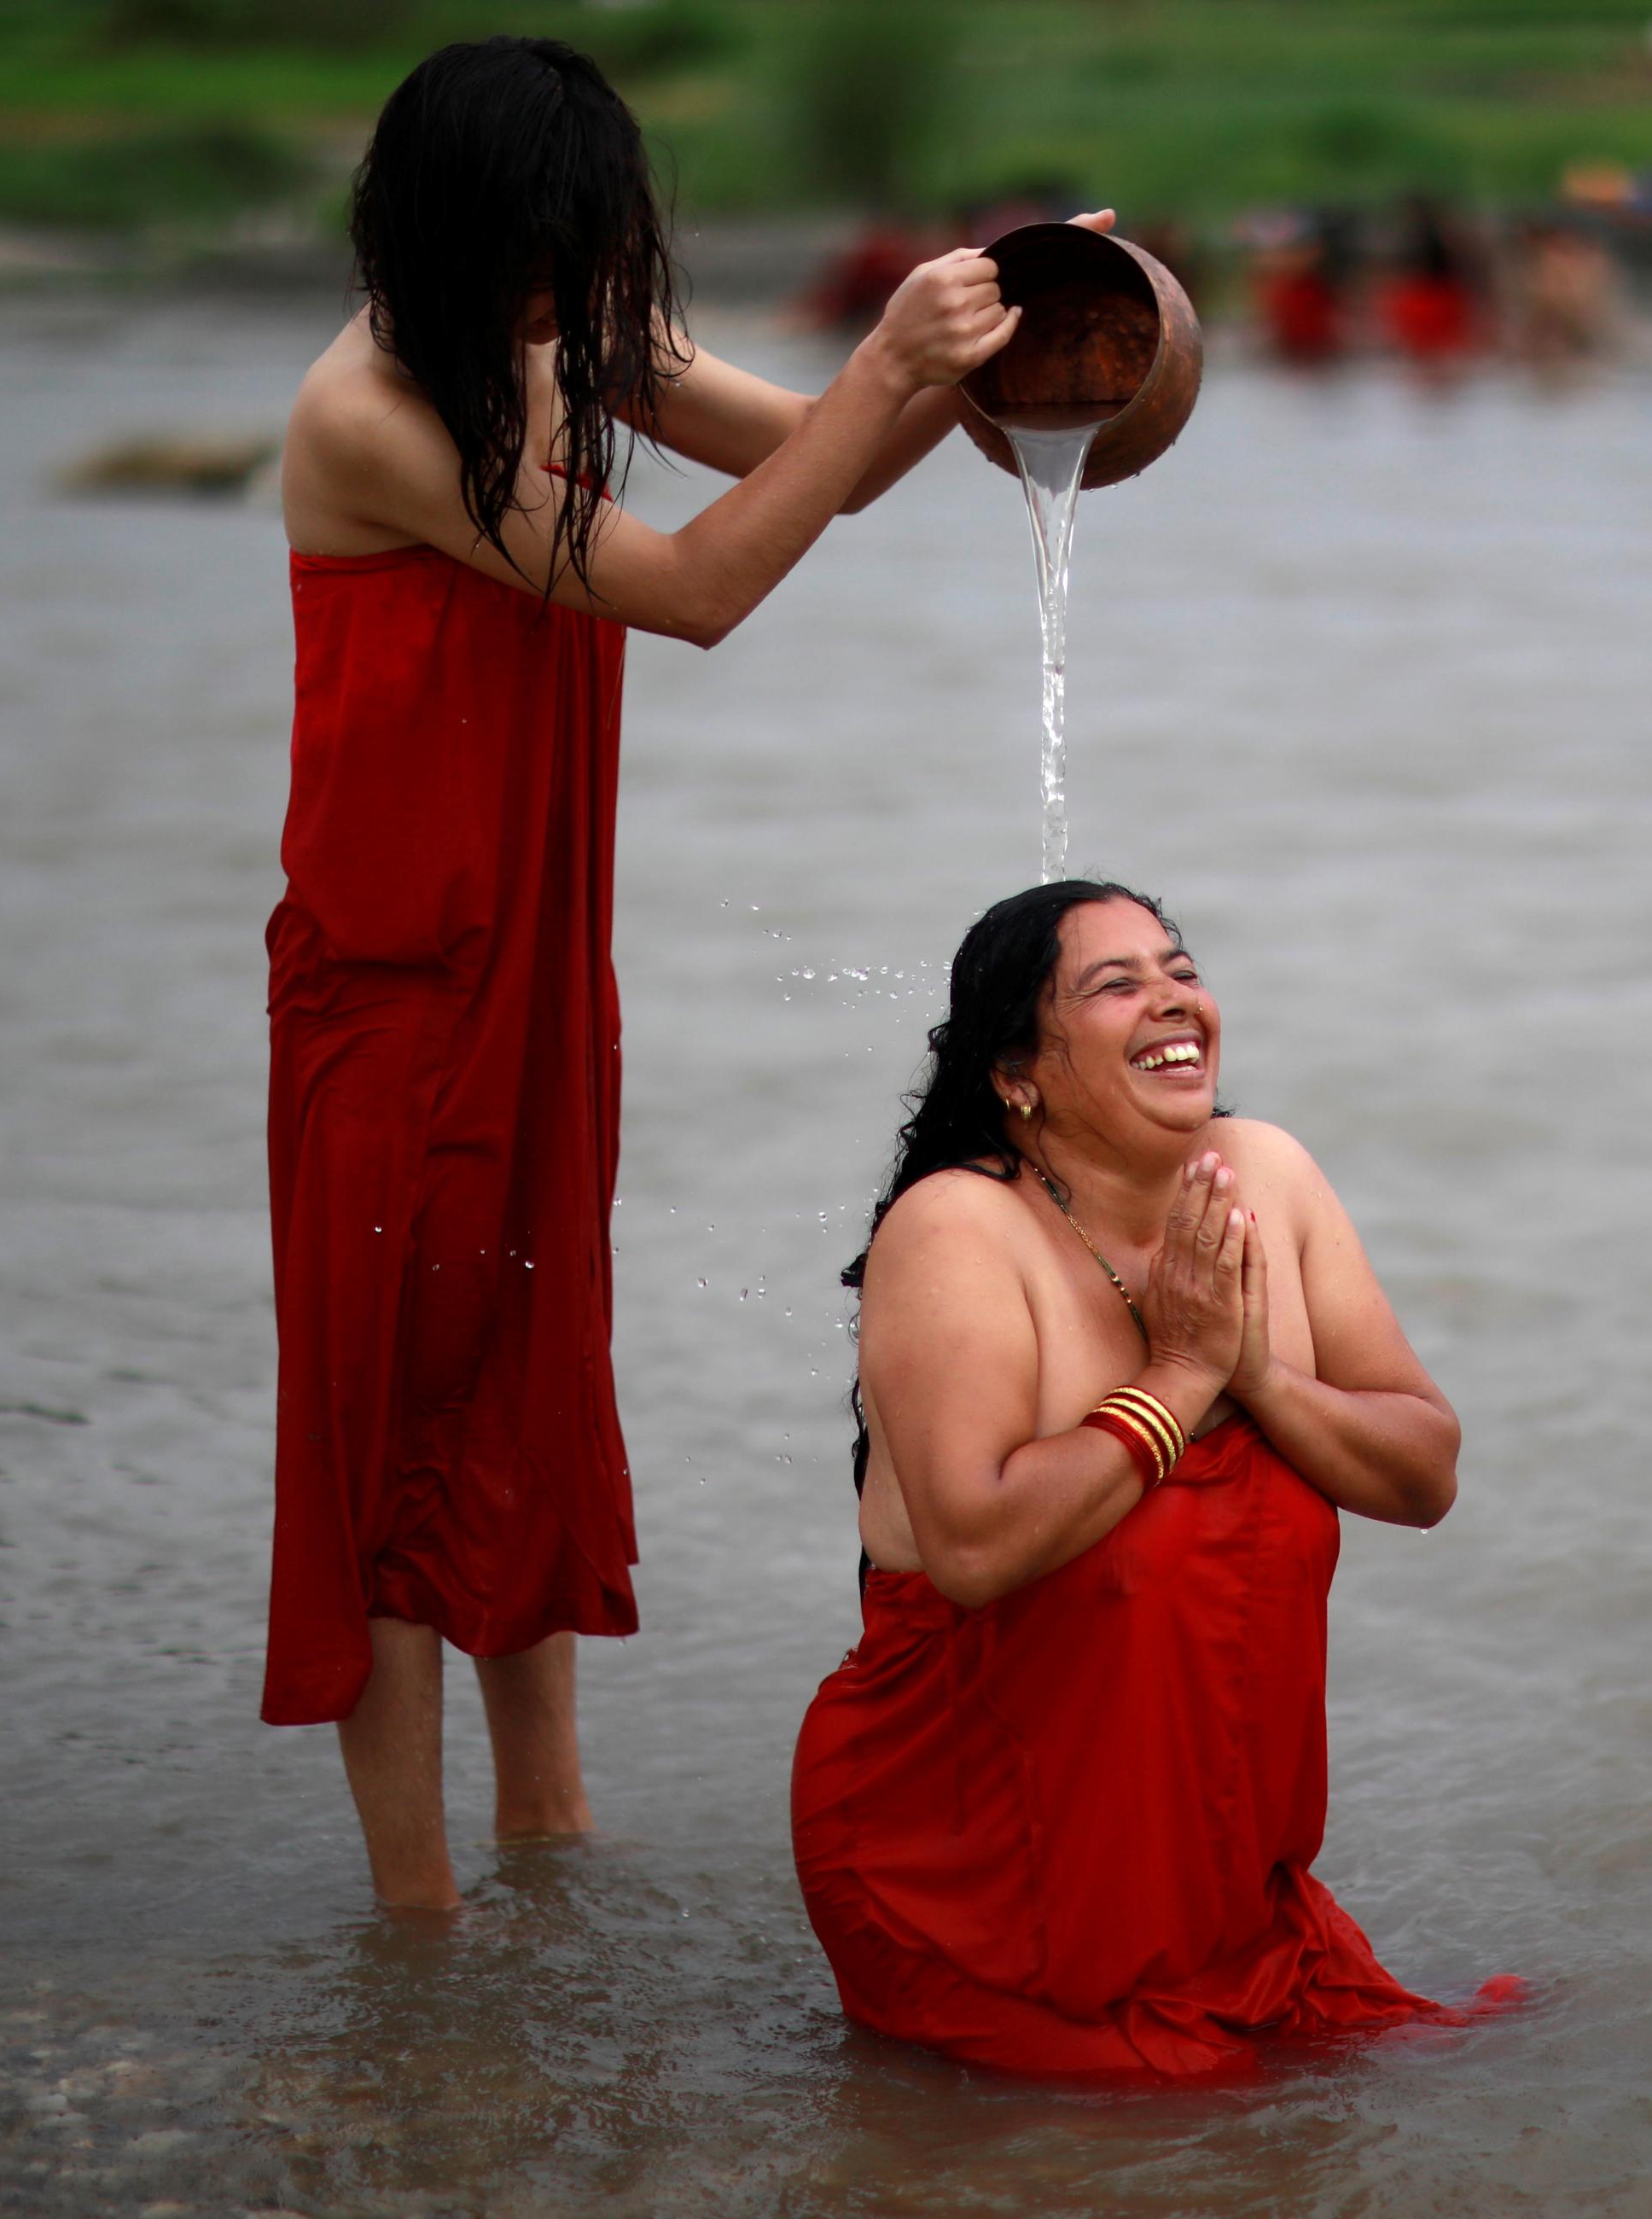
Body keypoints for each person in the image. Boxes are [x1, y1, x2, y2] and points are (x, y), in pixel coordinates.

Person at [268, 32, 1110, 1912]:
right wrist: (886, 362)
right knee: (382, 1427)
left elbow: (834, 470)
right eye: (545, 263)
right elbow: (702, 584)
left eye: (589, 259)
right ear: (458, 238)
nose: (570, 297)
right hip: (391, 993)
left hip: (542, 967)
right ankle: (417, 1920)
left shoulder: (560, 339)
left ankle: (547, 1833)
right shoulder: (372, 413)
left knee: (521, 1373)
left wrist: (981, 338)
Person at [792, 881, 1519, 2076]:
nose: (1171, 999)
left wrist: (1264, 1381)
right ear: (1016, 1069)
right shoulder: (958, 1230)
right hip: (974, 1888)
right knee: (1179, 2149)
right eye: (1114, 984)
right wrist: (1181, 1378)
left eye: (1177, 968)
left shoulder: (1263, 1176)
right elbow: (972, 1551)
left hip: (1225, 1897)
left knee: (1451, 2081)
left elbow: (1423, 1474)